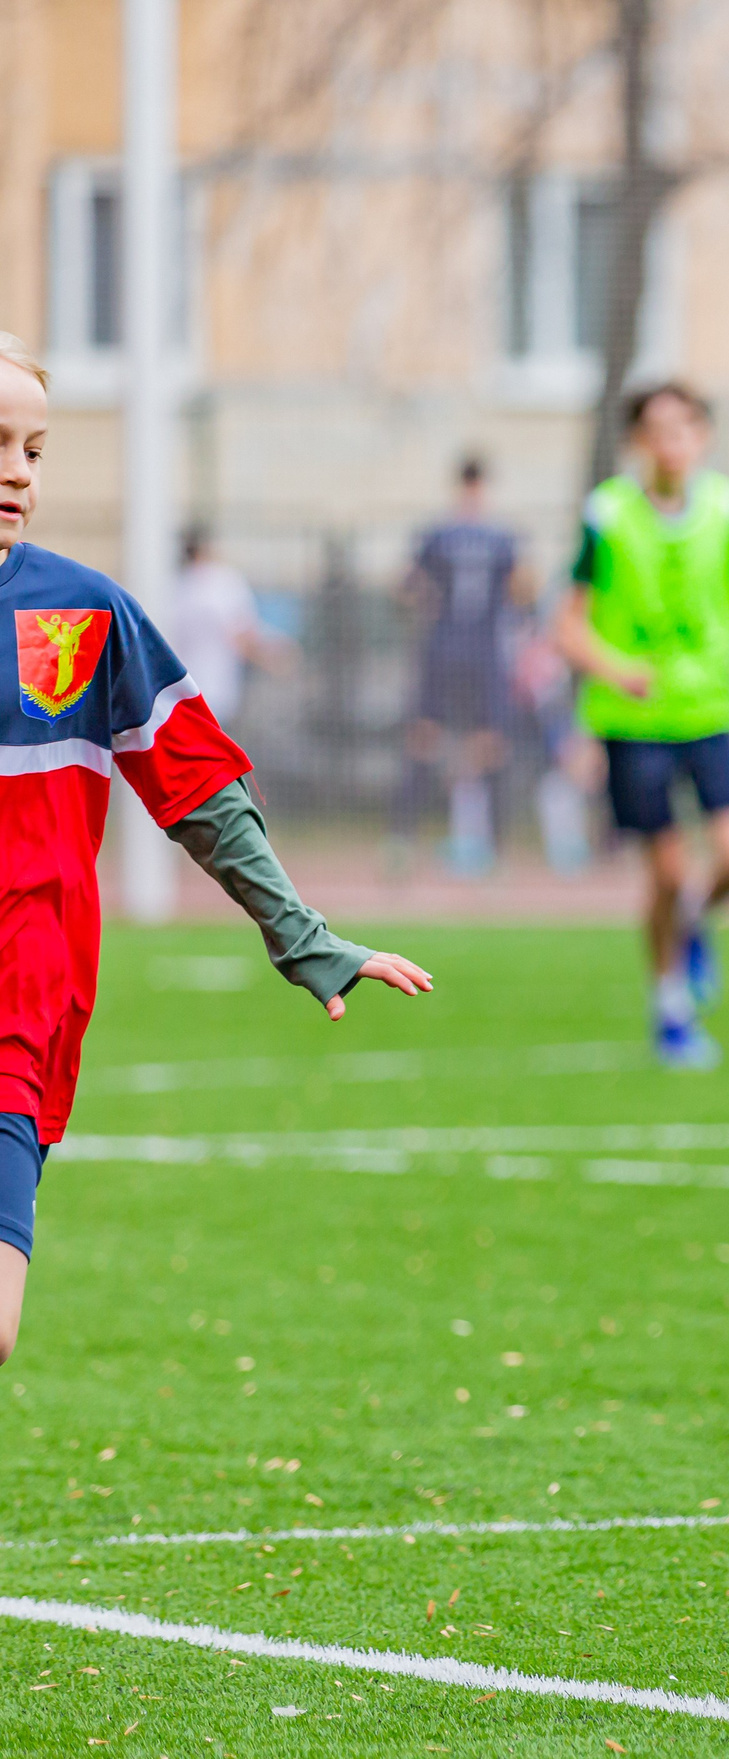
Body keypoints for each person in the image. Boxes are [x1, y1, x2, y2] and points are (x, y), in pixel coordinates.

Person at [0, 331, 433, 1362]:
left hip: (17, 1009)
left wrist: (303, 934)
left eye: (36, 448)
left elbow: (199, 790)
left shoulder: (81, 614)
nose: (17, 470)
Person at [551, 383, 729, 1068]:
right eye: (656, 429)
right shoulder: (609, 514)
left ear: (703, 436)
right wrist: (614, 667)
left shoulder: (727, 507)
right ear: (637, 441)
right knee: (667, 868)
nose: (671, 441)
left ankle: (691, 922)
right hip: (635, 721)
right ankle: (671, 1008)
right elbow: (568, 624)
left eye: (684, 427)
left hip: (712, 710)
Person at [397, 458, 536, 877]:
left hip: (471, 649)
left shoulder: (464, 535)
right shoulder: (472, 535)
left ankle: (489, 847)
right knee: (427, 737)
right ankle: (404, 839)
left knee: (488, 742)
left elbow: (406, 586)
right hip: (455, 648)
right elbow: (409, 586)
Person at [166, 528, 292, 724]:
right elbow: (243, 635)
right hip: (216, 690)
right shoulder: (222, 582)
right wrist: (274, 658)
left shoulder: (177, 585)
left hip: (177, 691)